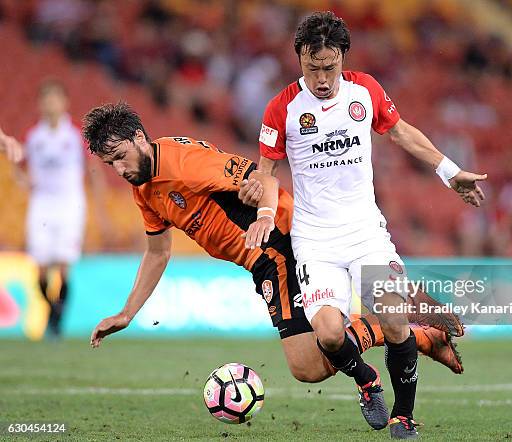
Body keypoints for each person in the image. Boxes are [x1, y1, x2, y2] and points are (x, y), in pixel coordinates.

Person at [80, 103, 463, 388]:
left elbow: (264, 179)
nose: (119, 170)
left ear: (137, 138)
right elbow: (158, 252)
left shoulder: (184, 163)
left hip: (280, 242)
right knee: (309, 367)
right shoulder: (144, 189)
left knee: (310, 363)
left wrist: (262, 213)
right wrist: (127, 313)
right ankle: (412, 331)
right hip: (260, 261)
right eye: (109, 164)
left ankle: (398, 328)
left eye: (120, 157)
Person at [242, 11, 487, 438]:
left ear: (343, 58)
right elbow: (266, 171)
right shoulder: (282, 107)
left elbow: (403, 133)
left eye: (330, 67)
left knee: (394, 319)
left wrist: (451, 172)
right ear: (299, 58)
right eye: (312, 67)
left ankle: (404, 415)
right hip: (315, 240)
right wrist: (264, 213)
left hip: (365, 233)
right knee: (330, 334)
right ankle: (366, 379)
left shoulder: (365, 90)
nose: (321, 78)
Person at [0, 80, 106, 338]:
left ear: (64, 103)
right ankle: (53, 308)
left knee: (63, 264)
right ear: (40, 104)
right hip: (42, 204)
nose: (51, 104)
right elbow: (18, 162)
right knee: (40, 267)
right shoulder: (34, 136)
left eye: (55, 98)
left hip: (70, 203)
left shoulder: (76, 134)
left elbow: (94, 171)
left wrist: (100, 207)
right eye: (46, 99)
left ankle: (57, 319)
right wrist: (20, 178)